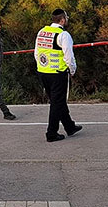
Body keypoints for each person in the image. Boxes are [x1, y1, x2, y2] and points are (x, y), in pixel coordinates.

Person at [34, 9, 82, 142]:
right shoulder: (63, 35)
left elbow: (37, 52)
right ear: (62, 20)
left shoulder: (42, 31)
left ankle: (69, 126)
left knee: (58, 101)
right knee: (56, 103)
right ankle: (51, 133)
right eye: (66, 18)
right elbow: (69, 57)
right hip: (58, 73)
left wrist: (41, 67)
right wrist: (72, 70)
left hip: (43, 71)